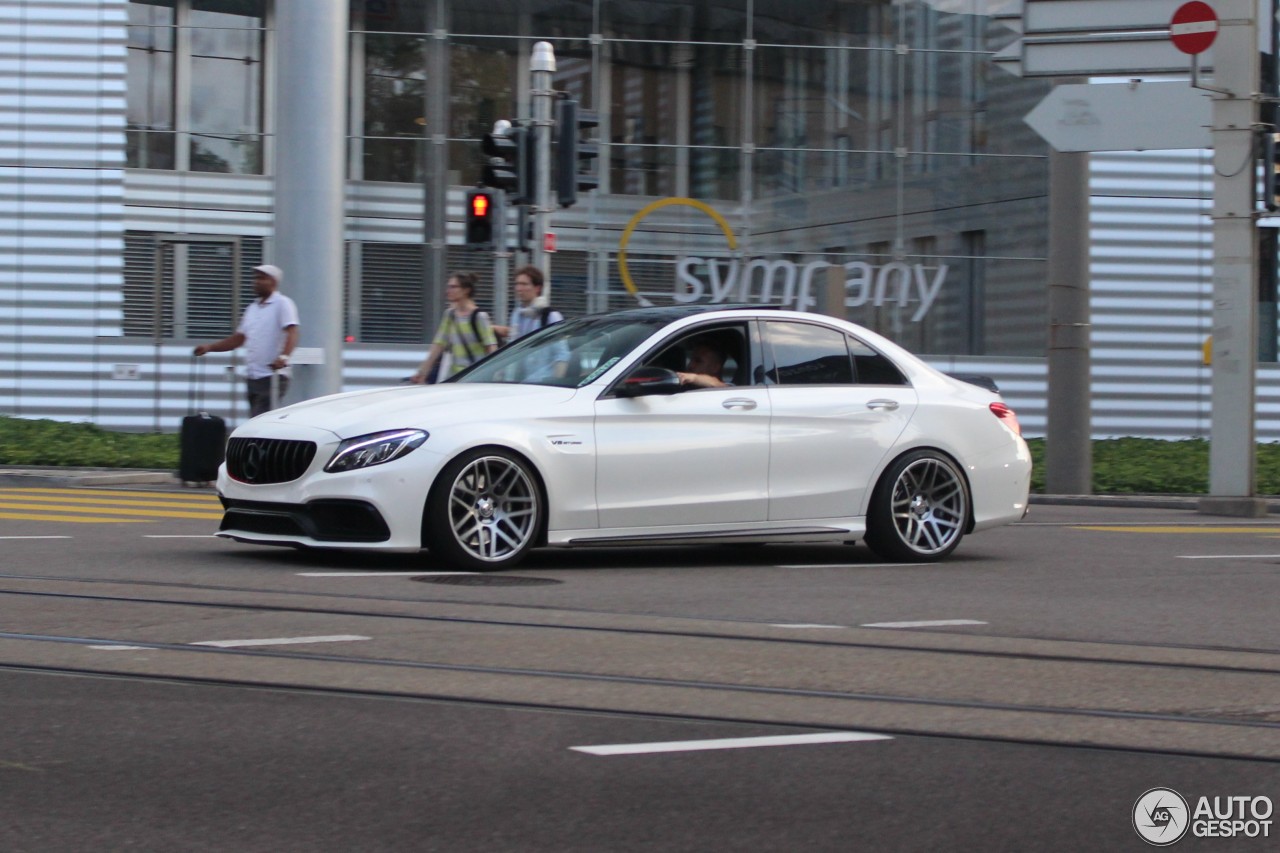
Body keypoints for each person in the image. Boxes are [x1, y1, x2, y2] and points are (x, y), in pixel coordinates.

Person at [193, 263, 299, 417]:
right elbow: (239, 338)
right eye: (255, 278)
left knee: (262, 418)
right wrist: (209, 347)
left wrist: (283, 357)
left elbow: (292, 332)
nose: (256, 282)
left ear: (273, 282)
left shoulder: (282, 303)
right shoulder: (252, 308)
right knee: (256, 419)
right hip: (253, 376)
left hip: (273, 375)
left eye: (261, 278)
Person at [410, 271, 498, 383]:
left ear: (466, 290)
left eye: (453, 287)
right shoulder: (450, 315)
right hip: (456, 377)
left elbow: (491, 347)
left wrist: (494, 375)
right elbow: (439, 344)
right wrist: (423, 371)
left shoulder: (479, 316)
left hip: (476, 377)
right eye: (448, 287)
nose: (448, 291)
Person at [494, 265, 563, 343]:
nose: (519, 289)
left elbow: (560, 351)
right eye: (517, 284)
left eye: (524, 284)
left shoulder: (550, 315)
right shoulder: (517, 313)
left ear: (538, 288)